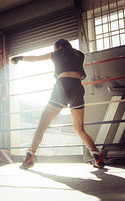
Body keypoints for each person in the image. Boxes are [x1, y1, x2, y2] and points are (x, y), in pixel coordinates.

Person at [11, 39, 105, 169]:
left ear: (59, 47)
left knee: (42, 124)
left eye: (55, 48)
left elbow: (36, 58)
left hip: (63, 87)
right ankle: (98, 158)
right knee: (79, 128)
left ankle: (29, 158)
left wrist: (19, 58)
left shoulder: (57, 54)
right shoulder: (80, 54)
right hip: (77, 88)